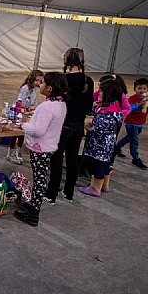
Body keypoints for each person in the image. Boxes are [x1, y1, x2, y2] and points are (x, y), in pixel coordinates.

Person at [14, 72, 68, 226]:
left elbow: (38, 131)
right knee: (40, 178)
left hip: (40, 148)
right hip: (49, 146)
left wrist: (23, 125)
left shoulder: (47, 107)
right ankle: (33, 205)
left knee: (39, 179)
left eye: (43, 83)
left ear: (49, 88)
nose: (40, 85)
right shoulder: (61, 104)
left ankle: (33, 213)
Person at [44, 48, 94, 204]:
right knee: (72, 159)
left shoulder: (64, 80)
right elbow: (89, 106)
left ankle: (51, 193)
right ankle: (68, 192)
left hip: (63, 124)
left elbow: (56, 102)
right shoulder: (88, 80)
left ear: (66, 60)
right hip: (79, 125)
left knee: (57, 159)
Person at [79, 76, 124, 196]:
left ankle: (95, 188)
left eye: (101, 91)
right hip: (108, 143)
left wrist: (88, 127)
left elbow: (98, 127)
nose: (99, 93)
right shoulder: (113, 108)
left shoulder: (107, 113)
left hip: (101, 143)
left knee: (98, 165)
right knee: (105, 164)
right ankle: (104, 185)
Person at [7, 70, 44, 165]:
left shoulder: (34, 90)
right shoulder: (25, 88)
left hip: (28, 114)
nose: (39, 83)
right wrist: (26, 107)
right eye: (37, 80)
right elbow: (19, 102)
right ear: (32, 79)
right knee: (16, 133)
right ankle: (10, 153)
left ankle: (18, 152)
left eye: (40, 81)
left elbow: (35, 102)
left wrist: (34, 107)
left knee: (23, 133)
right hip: (20, 114)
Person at [115, 78, 148, 170]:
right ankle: (135, 158)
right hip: (131, 123)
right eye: (139, 88)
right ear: (134, 89)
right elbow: (130, 108)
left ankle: (117, 147)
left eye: (144, 88)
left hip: (140, 123)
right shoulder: (132, 98)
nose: (142, 90)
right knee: (134, 141)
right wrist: (140, 105)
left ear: (147, 89)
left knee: (130, 137)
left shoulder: (146, 99)